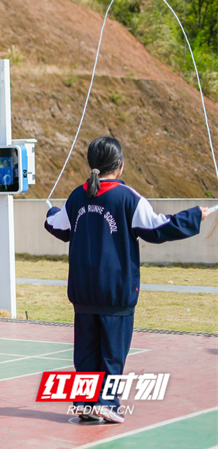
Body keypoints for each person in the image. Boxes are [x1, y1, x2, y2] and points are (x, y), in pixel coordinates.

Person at [44, 136, 213, 424]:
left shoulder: (76, 197)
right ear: (119, 165)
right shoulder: (127, 198)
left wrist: (51, 212)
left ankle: (85, 403)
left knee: (86, 353)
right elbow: (158, 228)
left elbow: (56, 225)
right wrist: (194, 216)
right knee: (113, 353)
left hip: (84, 292)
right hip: (115, 291)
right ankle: (106, 403)